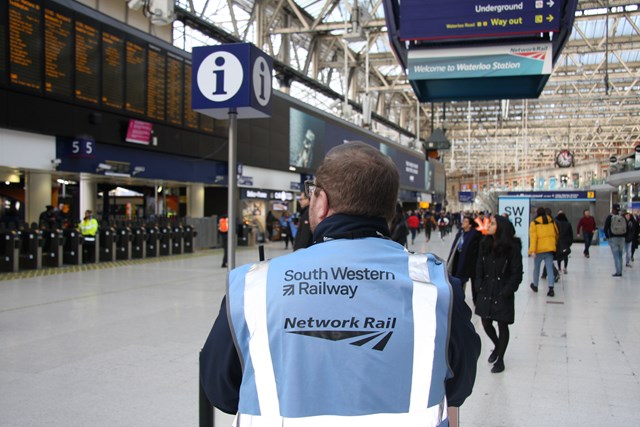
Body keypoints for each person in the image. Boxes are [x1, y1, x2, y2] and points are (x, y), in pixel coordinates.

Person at [200, 141, 481, 427]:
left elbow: (219, 390)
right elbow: (460, 384)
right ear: (389, 210)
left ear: (321, 203)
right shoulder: (437, 288)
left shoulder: (253, 287)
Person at [475, 215, 523, 373]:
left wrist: (506, 291)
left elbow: (517, 273)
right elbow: (479, 267)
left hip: (503, 290)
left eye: (492, 223)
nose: (488, 226)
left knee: (502, 324)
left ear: (501, 228)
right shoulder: (485, 244)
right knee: (485, 322)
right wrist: (479, 285)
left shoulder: (513, 247)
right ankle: (497, 345)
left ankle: (500, 359)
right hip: (487, 288)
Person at [447, 216, 482, 299]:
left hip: (471, 264)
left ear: (470, 225)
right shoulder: (460, 233)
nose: (463, 223)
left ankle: (476, 301)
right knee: (459, 282)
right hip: (459, 262)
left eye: (465, 221)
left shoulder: (475, 235)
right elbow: (454, 248)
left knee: (474, 285)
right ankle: (459, 300)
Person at [529, 207, 559, 297]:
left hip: (539, 250)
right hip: (549, 249)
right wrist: (554, 244)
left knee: (536, 268)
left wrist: (532, 251)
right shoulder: (552, 222)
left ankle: (535, 285)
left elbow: (533, 238)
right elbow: (557, 233)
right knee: (549, 268)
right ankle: (551, 288)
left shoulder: (534, 223)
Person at [604, 204, 627, 277]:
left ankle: (618, 272)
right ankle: (620, 271)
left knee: (616, 256)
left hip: (613, 238)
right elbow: (626, 228)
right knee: (620, 255)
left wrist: (608, 237)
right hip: (622, 238)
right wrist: (624, 236)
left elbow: (605, 228)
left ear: (613, 209)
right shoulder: (623, 217)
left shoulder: (610, 217)